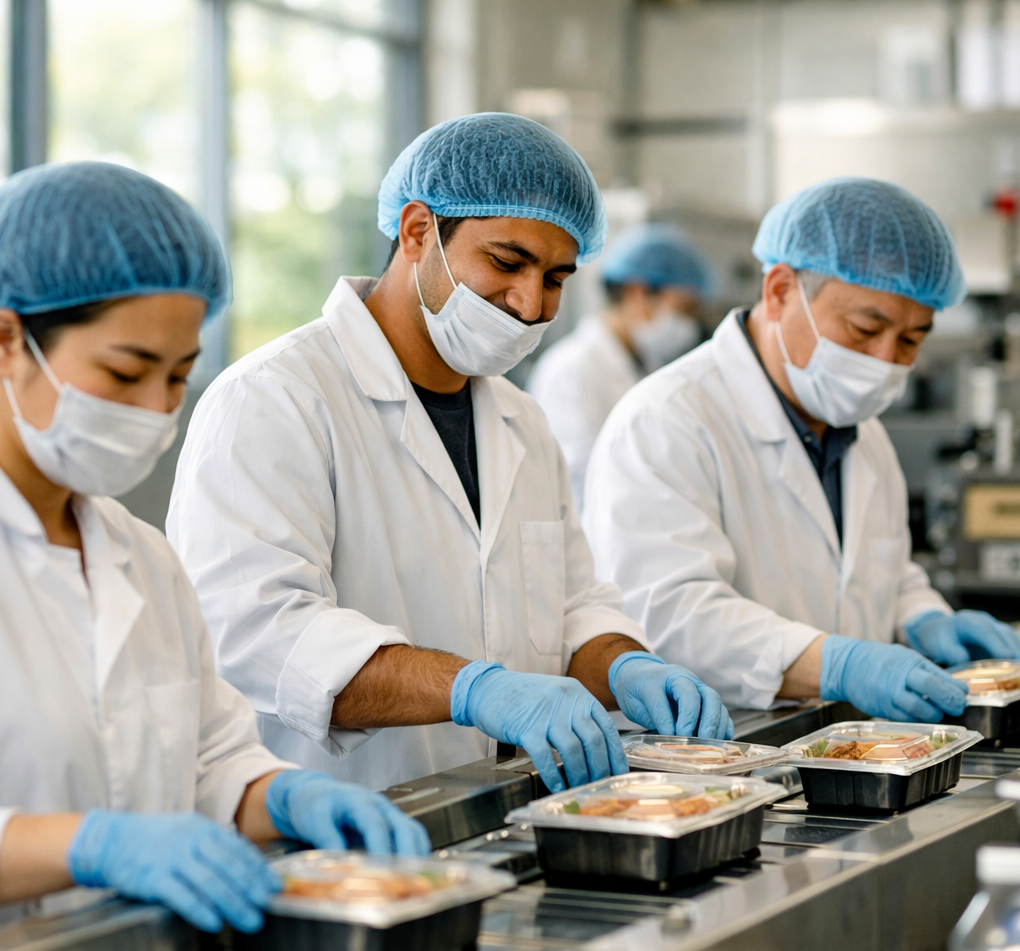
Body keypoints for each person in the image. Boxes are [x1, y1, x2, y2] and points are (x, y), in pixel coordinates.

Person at [167, 113, 733, 797]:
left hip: (490, 824)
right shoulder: (273, 400)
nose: (530, 304)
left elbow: (573, 607)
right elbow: (258, 635)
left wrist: (624, 667)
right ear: (416, 233)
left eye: (556, 277)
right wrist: (474, 689)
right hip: (333, 834)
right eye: (506, 262)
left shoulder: (520, 420)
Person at [0, 162, 429, 935]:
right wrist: (88, 846)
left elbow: (210, 763)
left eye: (177, 376)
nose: (156, 410)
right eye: (125, 372)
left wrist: (285, 796)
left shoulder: (142, 559)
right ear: (5, 341)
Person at [583, 177, 1020, 722]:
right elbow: (671, 617)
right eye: (866, 329)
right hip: (707, 757)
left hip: (841, 756)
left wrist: (923, 618)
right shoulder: (667, 419)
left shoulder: (863, 430)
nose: (885, 361)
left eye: (910, 341)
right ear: (781, 291)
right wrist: (838, 664)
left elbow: (881, 572)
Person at [527, 223, 710, 511]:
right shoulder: (571, 371)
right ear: (638, 292)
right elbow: (578, 489)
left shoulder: (646, 366)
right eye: (683, 309)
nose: (688, 325)